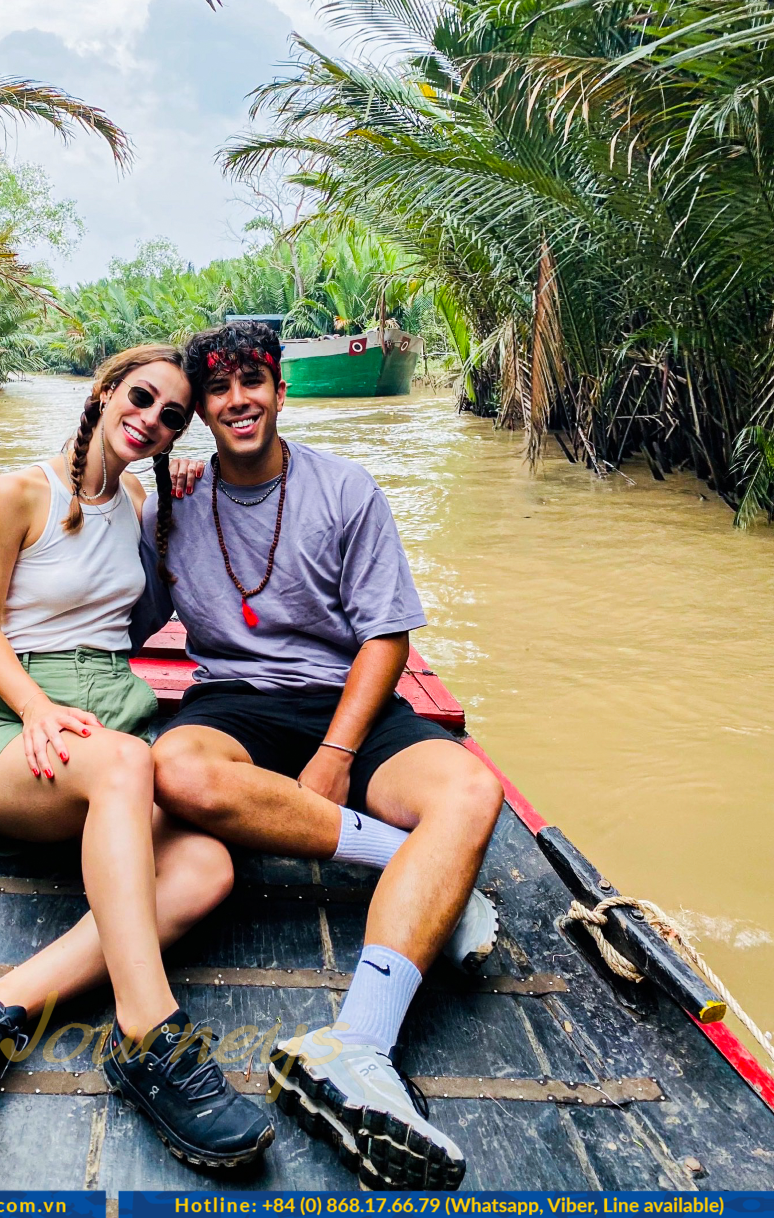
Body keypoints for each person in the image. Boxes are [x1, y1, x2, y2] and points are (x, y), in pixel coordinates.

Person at [142, 320, 505, 1191]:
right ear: (201, 410)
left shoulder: (346, 488)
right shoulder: (173, 501)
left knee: (468, 788)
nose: (239, 401)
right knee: (176, 769)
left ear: (280, 388)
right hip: (234, 702)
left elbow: (387, 633)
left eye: (253, 381)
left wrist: (339, 749)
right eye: (220, 389)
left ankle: (358, 1046)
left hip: (347, 698)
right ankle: (420, 869)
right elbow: (111, 597)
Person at [0, 344, 274, 1171]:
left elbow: (142, 613)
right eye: (141, 397)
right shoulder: (17, 493)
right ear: (107, 390)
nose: (150, 419)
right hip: (18, 727)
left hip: (112, 716)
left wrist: (179, 510)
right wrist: (36, 705)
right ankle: (150, 1032)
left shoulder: (143, 502)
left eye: (172, 416)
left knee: (209, 869)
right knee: (125, 766)